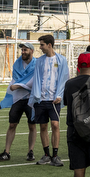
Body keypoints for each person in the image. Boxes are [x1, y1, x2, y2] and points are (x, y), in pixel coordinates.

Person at [30, 34, 69, 166]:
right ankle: (46, 155)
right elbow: (36, 79)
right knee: (43, 126)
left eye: (42, 44)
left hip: (54, 99)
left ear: (49, 45)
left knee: (55, 125)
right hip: (41, 99)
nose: (40, 47)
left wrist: (60, 95)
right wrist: (35, 96)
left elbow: (64, 79)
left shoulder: (61, 60)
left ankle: (55, 155)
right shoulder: (39, 61)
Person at [0, 42, 37, 162]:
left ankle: (30, 151)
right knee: (12, 124)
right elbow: (15, 80)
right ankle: (7, 152)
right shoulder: (17, 64)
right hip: (18, 99)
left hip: (31, 99)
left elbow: (34, 81)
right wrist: (18, 86)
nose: (23, 52)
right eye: (22, 50)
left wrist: (19, 85)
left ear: (31, 51)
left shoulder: (37, 64)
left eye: (25, 50)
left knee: (32, 125)